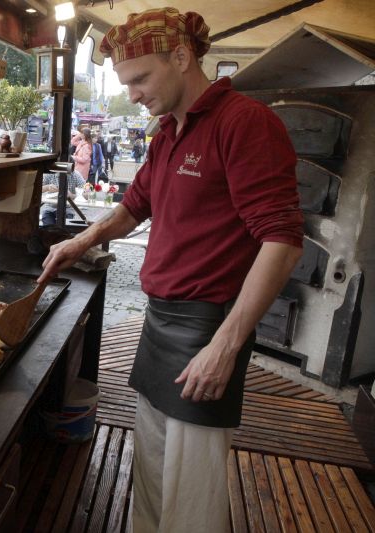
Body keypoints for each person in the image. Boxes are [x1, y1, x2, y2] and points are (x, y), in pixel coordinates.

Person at [37, 8, 304, 532]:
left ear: (181, 58)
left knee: (191, 496)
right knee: (154, 471)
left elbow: (283, 241)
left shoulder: (244, 122)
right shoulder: (167, 133)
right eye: (126, 83)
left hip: (207, 327)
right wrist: (79, 241)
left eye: (139, 79)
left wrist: (225, 347)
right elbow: (134, 206)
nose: (132, 94)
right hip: (159, 321)